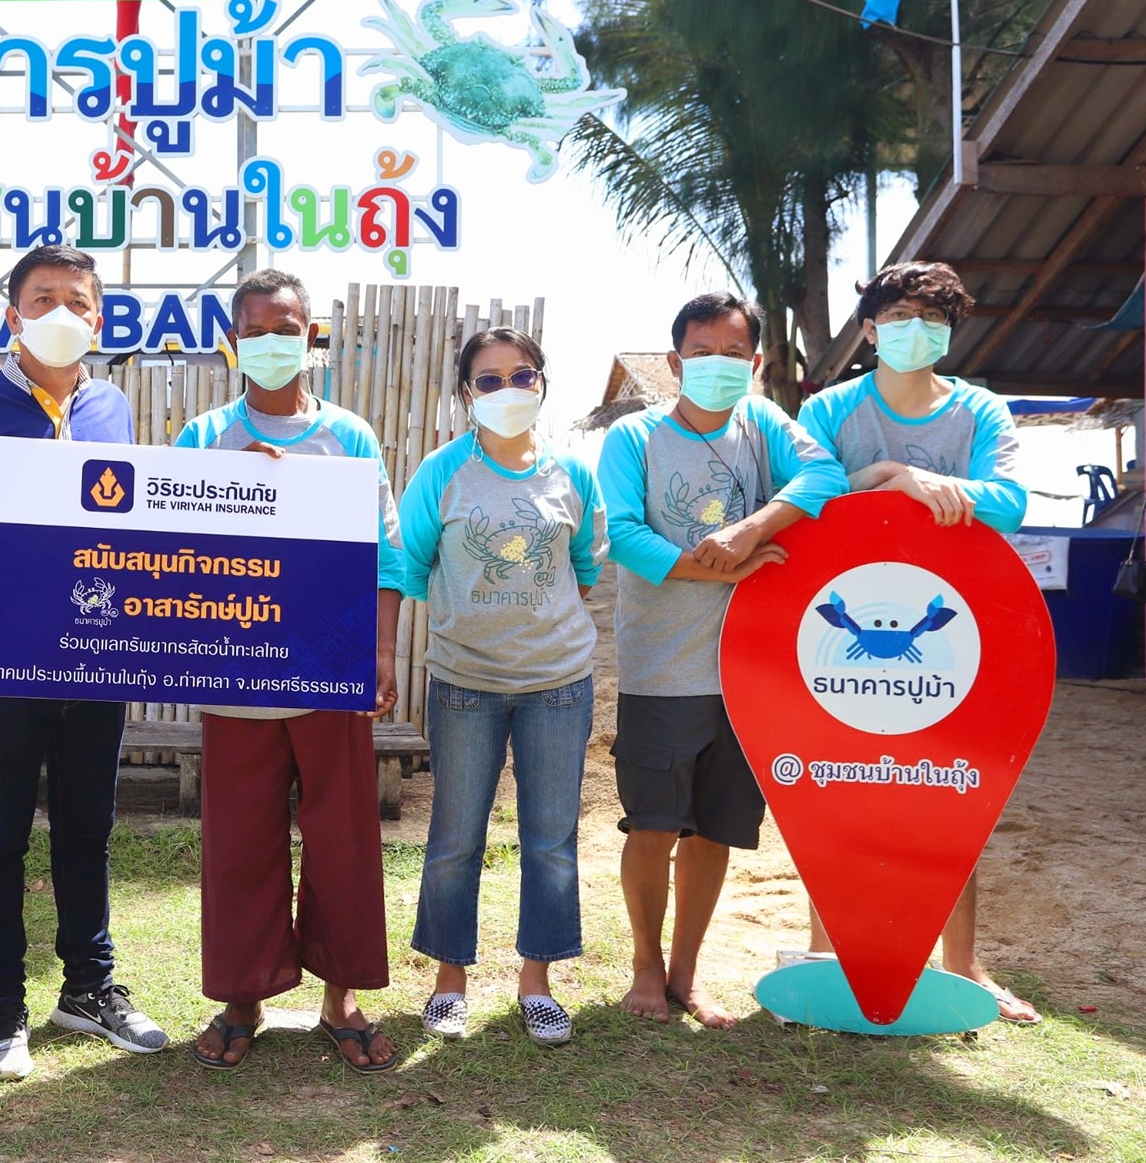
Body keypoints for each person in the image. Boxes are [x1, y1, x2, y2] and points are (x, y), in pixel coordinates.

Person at [0, 245, 170, 1081]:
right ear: (12, 313)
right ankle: (3, 1008)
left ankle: (88, 988)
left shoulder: (112, 406)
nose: (61, 312)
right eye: (42, 296)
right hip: (7, 662)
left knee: (89, 828)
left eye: (77, 299)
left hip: (96, 661)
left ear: (100, 316)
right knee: (0, 834)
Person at [175, 269, 407, 1075]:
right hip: (236, 670)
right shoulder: (204, 438)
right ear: (231, 342)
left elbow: (385, 554)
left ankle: (340, 996)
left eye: (289, 328)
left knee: (343, 835)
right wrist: (238, 489)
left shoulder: (351, 436)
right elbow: (172, 550)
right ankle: (244, 997)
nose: (274, 342)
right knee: (239, 836)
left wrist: (381, 651)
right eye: (258, 330)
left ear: (312, 337)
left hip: (331, 667)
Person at [797, 261, 1039, 1023]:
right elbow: (800, 497)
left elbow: (1009, 503)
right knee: (832, 797)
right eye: (899, 316)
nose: (915, 330)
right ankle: (825, 959)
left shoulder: (979, 411)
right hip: (839, 641)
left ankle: (962, 966)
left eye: (933, 318)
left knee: (953, 795)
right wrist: (889, 473)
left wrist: (915, 484)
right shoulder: (829, 409)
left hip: (954, 639)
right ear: (871, 329)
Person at [599, 291, 847, 1029]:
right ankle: (645, 966)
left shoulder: (763, 424)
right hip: (661, 668)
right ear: (674, 363)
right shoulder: (635, 436)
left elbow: (827, 477)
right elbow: (624, 536)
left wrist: (753, 527)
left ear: (755, 362)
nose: (716, 365)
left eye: (732, 354)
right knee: (652, 827)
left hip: (749, 674)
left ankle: (685, 973)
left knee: (715, 831)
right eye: (701, 353)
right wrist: (721, 572)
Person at [397, 327, 605, 1048]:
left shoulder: (574, 473)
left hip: (558, 685)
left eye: (523, 375)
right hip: (465, 685)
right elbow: (407, 565)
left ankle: (536, 983)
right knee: (456, 838)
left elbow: (585, 568)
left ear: (542, 384)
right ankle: (448, 983)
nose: (508, 390)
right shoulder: (441, 473)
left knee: (551, 840)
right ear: (467, 394)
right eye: (489, 379)